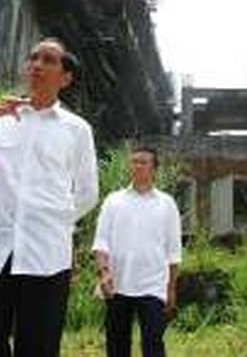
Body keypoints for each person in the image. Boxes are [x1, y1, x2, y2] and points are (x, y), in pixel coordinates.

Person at [0, 38, 99, 357]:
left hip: (46, 255)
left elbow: (87, 193)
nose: (37, 65)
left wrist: (54, 222)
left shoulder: (77, 130)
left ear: (65, 77)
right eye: (33, 58)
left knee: (38, 346)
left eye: (48, 60)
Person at [93, 146, 182, 357]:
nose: (137, 166)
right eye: (134, 161)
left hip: (153, 286)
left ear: (154, 169)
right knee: (117, 342)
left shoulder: (166, 204)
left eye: (143, 162)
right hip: (118, 284)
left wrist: (171, 287)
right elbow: (101, 242)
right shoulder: (113, 201)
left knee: (153, 342)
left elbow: (173, 250)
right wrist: (104, 274)